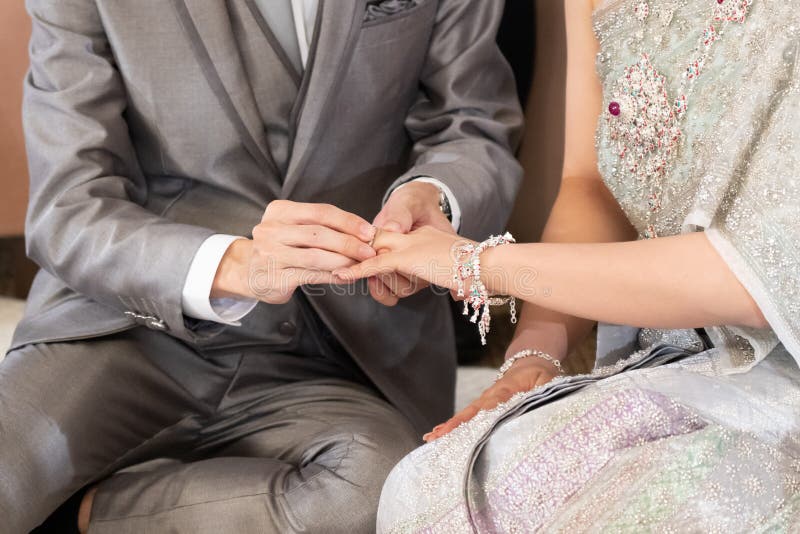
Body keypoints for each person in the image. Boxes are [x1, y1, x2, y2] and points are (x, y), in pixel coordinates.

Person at [0, 1, 523, 532]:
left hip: (343, 356)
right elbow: (69, 205)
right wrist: (235, 265)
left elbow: (473, 124)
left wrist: (434, 196)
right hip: (122, 326)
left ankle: (72, 514)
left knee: (376, 496)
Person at [338, 0, 800, 530]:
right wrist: (534, 356)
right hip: (683, 357)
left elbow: (756, 275)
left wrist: (475, 262)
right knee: (427, 490)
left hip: (781, 366)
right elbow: (591, 185)